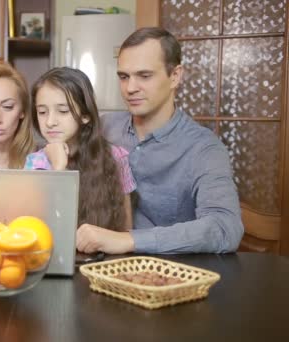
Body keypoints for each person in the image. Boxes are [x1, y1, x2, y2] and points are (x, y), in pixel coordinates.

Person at [77, 27, 244, 254]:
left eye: (144, 76)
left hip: (171, 278)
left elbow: (225, 228)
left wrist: (129, 240)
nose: (130, 88)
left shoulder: (204, 148)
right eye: (124, 77)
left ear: (175, 76)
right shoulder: (104, 128)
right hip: (100, 270)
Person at [25, 67, 135, 232]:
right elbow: (36, 230)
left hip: (109, 255)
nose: (49, 122)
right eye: (42, 112)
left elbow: (126, 229)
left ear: (85, 115)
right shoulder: (36, 163)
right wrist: (58, 169)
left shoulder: (117, 157)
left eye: (62, 111)